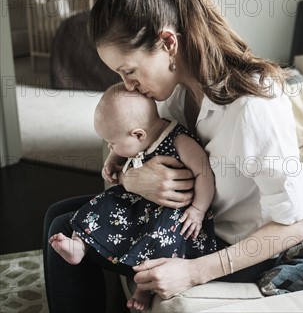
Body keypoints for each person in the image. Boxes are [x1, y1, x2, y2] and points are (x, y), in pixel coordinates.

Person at [43, 0, 303, 313]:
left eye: (129, 71)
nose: (127, 85)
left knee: (63, 225)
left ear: (169, 43)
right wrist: (129, 176)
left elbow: (299, 224)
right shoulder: (177, 93)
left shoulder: (253, 107)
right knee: (59, 212)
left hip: (232, 247)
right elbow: (152, 147)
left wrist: (193, 272)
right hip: (185, 222)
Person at [49, 82, 218, 311]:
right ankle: (80, 244)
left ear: (138, 134)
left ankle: (145, 287)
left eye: (113, 142)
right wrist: (113, 159)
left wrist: (198, 210)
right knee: (104, 203)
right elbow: (122, 152)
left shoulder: (179, 140)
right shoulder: (143, 133)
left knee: (161, 237)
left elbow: (204, 171)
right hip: (141, 201)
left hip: (173, 209)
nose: (111, 146)